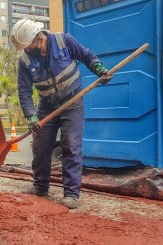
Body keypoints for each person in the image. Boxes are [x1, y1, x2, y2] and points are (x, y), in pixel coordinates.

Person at [11, 19, 112, 209]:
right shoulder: (24, 61)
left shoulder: (64, 41)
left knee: (71, 146)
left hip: (72, 102)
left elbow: (87, 56)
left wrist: (98, 68)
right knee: (40, 147)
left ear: (39, 39)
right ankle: (40, 186)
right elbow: (24, 90)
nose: (26, 50)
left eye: (27, 46)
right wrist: (31, 115)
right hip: (47, 105)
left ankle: (71, 194)